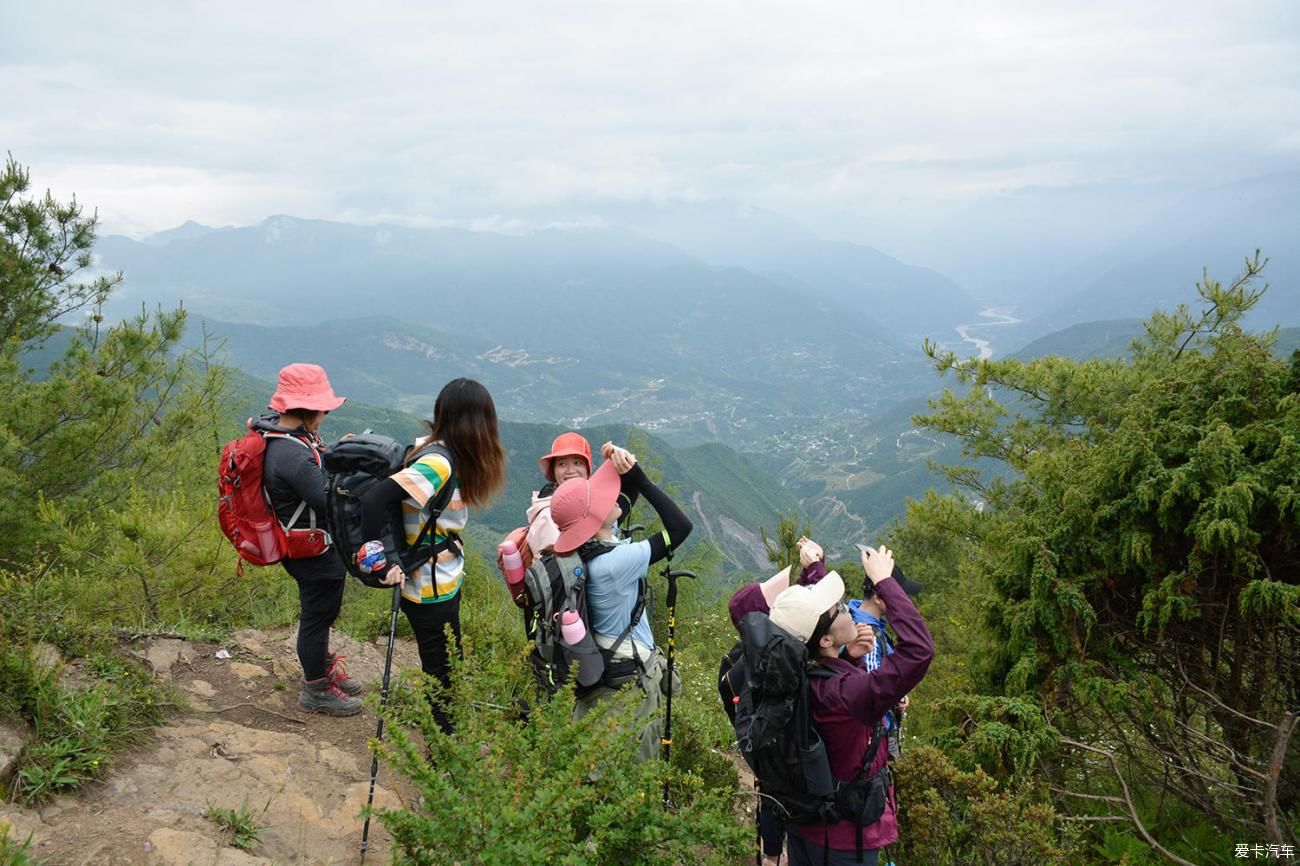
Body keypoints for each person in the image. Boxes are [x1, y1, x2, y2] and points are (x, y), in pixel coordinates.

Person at [768, 545, 934, 866]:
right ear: (826, 641)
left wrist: (849, 659)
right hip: (843, 839)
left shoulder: (800, 673)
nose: (848, 610)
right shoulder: (846, 694)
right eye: (840, 609)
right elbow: (919, 651)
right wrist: (886, 582)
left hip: (806, 825)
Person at [357, 378, 506, 733]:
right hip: (428, 586)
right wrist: (382, 561)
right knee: (442, 677)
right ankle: (442, 762)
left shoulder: (434, 448)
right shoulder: (438, 463)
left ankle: (450, 743)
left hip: (441, 580)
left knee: (448, 667)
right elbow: (374, 500)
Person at [549, 444, 692, 762]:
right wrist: (641, 479)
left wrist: (620, 465)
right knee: (634, 768)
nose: (612, 499)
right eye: (602, 499)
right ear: (595, 519)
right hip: (629, 681)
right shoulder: (615, 563)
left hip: (608, 669)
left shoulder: (585, 548)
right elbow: (681, 527)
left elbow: (618, 504)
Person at [256, 363, 362, 716]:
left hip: (307, 545)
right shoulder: (292, 453)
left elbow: (313, 475)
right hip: (311, 551)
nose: (325, 414)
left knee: (321, 613)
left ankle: (321, 670)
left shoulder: (287, 438)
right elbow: (327, 499)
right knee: (317, 617)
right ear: (307, 409)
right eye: (323, 408)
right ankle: (316, 688)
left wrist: (335, 451)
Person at [847, 558, 923, 758]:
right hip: (877, 736)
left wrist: (897, 694)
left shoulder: (855, 619)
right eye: (896, 594)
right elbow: (872, 688)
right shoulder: (867, 635)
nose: (903, 600)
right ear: (879, 598)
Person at [525, 433, 639, 558]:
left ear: (587, 468)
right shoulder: (549, 517)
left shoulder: (586, 504)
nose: (570, 470)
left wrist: (620, 459)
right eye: (562, 464)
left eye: (577, 462)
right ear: (554, 471)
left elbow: (625, 500)